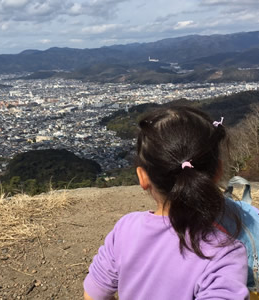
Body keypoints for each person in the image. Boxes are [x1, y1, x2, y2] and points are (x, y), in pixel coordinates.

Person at [83, 105, 249, 300]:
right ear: (218, 171)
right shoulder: (223, 254)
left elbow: (93, 294)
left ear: (142, 178)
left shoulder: (126, 229)